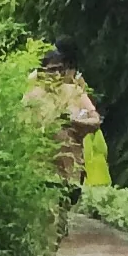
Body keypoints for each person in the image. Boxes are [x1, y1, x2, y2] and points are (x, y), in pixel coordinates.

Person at [23, 47, 103, 191]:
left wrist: (75, 123)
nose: (57, 74)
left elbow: (95, 120)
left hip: (72, 167)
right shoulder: (32, 97)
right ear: (42, 72)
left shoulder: (74, 91)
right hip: (42, 168)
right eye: (52, 70)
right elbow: (23, 130)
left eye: (60, 69)